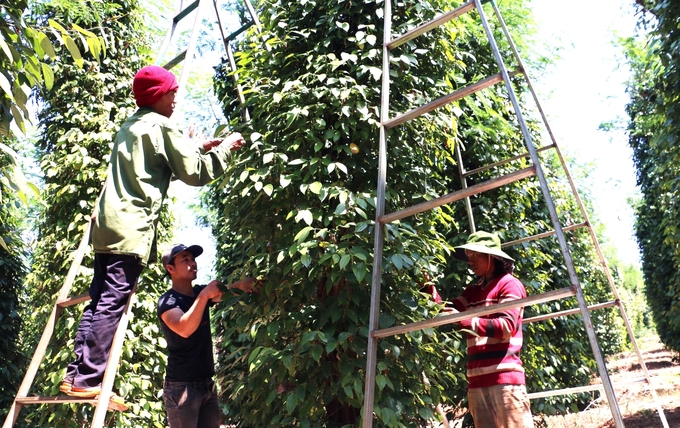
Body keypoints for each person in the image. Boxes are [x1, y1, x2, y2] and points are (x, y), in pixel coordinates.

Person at [60, 65, 246, 411]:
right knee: (112, 301)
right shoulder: (162, 125)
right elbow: (194, 173)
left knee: (100, 298)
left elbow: (153, 170)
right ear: (159, 96)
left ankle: (77, 375)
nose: (176, 99)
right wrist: (225, 150)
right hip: (131, 227)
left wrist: (196, 146)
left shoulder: (131, 126)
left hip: (106, 225)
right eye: (172, 93)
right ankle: (86, 379)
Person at [442, 230, 534, 428]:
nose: (471, 262)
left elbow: (506, 327)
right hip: (476, 383)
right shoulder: (472, 291)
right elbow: (445, 312)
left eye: (476, 255)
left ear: (492, 256)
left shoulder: (510, 285)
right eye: (468, 257)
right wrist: (428, 291)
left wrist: (465, 320)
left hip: (505, 380)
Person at [158, 243, 255, 428]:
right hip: (181, 387)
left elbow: (227, 292)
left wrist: (243, 285)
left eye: (192, 259)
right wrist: (204, 296)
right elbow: (184, 329)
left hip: (207, 384)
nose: (192, 263)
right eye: (185, 260)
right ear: (170, 268)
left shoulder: (198, 293)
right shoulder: (167, 301)